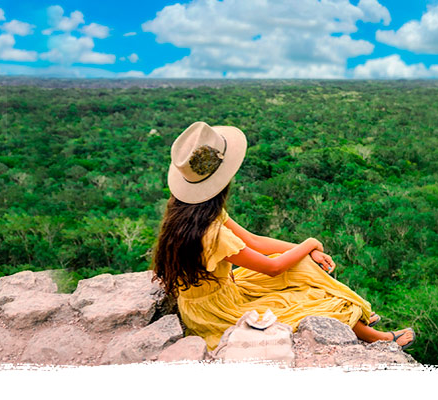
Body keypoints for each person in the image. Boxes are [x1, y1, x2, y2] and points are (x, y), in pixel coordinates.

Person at [151, 121, 415, 352]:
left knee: (301, 265)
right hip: (217, 310)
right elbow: (273, 268)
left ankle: (355, 314)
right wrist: (310, 243)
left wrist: (305, 250)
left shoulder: (190, 211)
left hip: (217, 291)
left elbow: (253, 241)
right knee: (310, 301)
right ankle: (375, 337)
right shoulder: (212, 232)